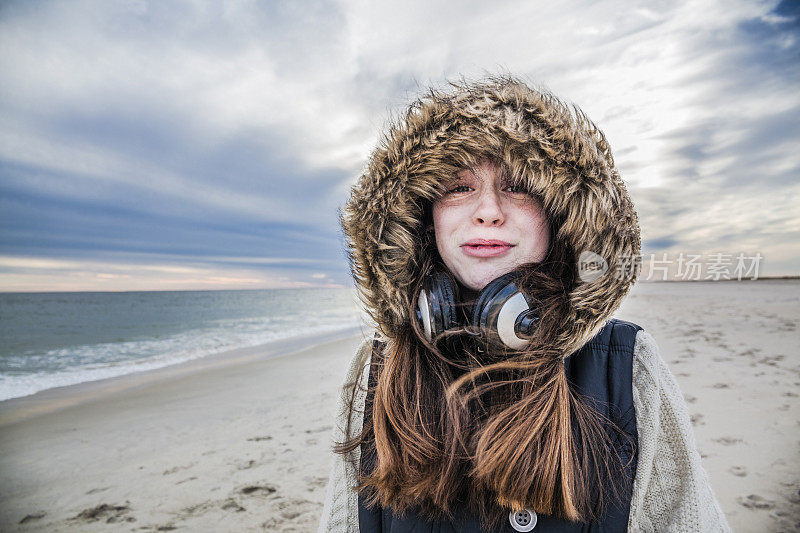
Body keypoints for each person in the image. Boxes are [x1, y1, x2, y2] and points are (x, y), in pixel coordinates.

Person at [318, 76, 730, 532]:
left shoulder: (625, 364)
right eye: (458, 188)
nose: (489, 210)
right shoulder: (374, 372)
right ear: (423, 216)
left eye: (517, 186)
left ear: (558, 214)